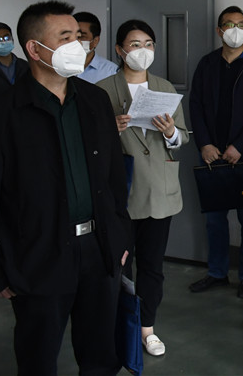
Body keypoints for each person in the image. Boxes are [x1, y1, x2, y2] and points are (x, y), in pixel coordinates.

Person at [0, 0, 131, 376]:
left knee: (102, 355)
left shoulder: (95, 101)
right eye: (65, 37)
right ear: (35, 49)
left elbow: (115, 180)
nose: (78, 45)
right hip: (37, 255)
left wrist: (120, 236)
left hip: (99, 250)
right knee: (38, 357)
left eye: (79, 36)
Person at [96, 19, 188, 358]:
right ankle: (119, 326)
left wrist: (170, 132)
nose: (143, 51)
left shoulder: (164, 87)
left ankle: (147, 328)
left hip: (160, 190)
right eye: (135, 45)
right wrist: (111, 129)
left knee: (152, 266)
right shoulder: (103, 90)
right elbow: (91, 145)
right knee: (119, 265)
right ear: (120, 50)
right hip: (122, 192)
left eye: (148, 44)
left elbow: (182, 137)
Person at [188, 6, 243, 299]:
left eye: (241, 24)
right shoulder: (207, 64)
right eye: (229, 24)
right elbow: (195, 106)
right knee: (214, 219)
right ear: (219, 30)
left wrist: (239, 146)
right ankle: (217, 273)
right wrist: (204, 144)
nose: (235, 30)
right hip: (211, 155)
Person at [74, 11, 119, 84]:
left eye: (81, 36)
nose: (75, 41)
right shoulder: (58, 67)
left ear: (95, 41)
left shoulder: (111, 71)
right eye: (69, 36)